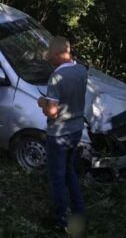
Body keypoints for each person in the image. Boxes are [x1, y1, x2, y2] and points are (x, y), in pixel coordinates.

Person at [37, 37, 87, 233]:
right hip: (76, 130)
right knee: (69, 172)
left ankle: (61, 220)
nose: (48, 56)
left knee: (57, 177)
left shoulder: (57, 77)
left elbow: (52, 112)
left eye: (50, 53)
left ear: (58, 54)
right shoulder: (81, 70)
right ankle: (79, 214)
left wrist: (43, 102)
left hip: (59, 134)